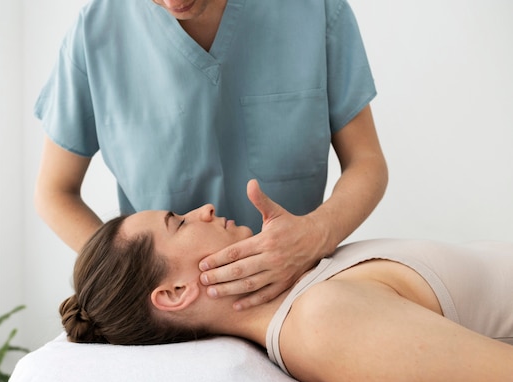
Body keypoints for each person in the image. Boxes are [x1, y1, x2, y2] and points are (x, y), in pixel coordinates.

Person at [34, 0, 388, 311]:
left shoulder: (315, 10)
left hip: (297, 295)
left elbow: (366, 162)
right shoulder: (96, 32)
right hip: (177, 317)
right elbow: (55, 191)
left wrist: (316, 233)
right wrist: (128, 279)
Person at [59, 180, 513, 382]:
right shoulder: (322, 324)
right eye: (178, 222)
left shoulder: (307, 283)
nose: (204, 210)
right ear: (175, 293)